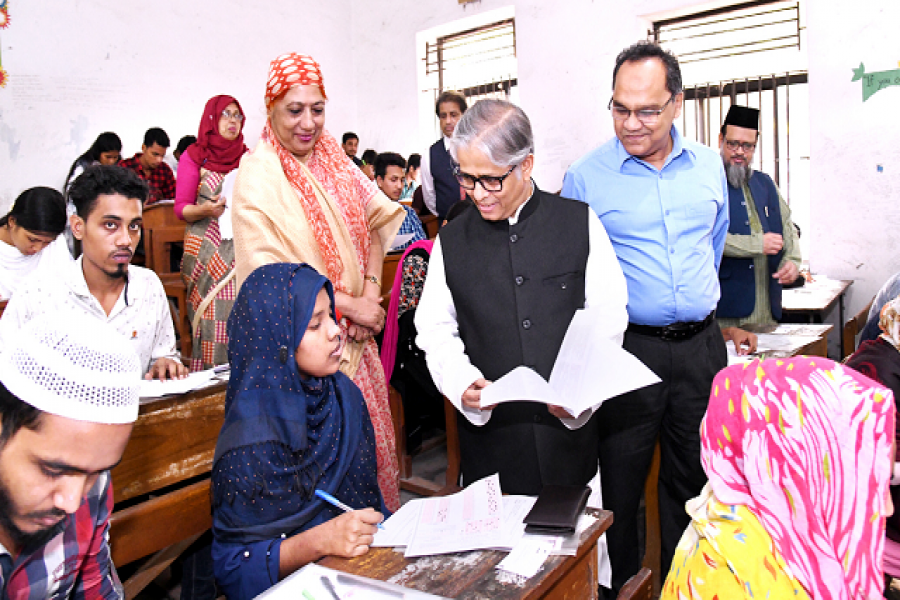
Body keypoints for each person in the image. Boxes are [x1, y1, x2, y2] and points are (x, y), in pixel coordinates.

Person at [561, 41, 728, 593]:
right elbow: (571, 276)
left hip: (701, 349)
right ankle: (623, 588)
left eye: (648, 110)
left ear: (677, 103)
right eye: (620, 108)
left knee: (695, 481)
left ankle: (684, 586)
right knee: (621, 485)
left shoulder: (708, 166)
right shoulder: (586, 177)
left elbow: (714, 242)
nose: (631, 123)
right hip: (627, 351)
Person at [416, 98, 628, 494]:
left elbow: (607, 316)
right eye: (467, 178)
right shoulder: (451, 240)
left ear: (526, 165)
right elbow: (434, 327)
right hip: (491, 446)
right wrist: (460, 379)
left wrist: (584, 389)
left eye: (491, 179)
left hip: (569, 438)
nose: (479, 194)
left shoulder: (578, 222)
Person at [231, 52, 405, 511]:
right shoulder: (258, 175)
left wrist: (370, 292)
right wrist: (348, 306)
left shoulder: (334, 157)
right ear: (270, 108)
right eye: (294, 110)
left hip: (358, 341)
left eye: (318, 109)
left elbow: (376, 222)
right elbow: (269, 279)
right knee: (328, 490)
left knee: (371, 466)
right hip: (305, 355)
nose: (308, 123)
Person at [210, 263, 384, 599]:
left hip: (360, 572)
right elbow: (232, 570)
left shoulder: (343, 397)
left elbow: (368, 506)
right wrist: (318, 541)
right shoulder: (250, 439)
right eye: (315, 324)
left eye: (331, 316)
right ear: (276, 338)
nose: (335, 331)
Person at [662, 357, 895, 599]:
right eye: (871, 485)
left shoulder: (800, 538)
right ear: (802, 475)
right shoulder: (727, 578)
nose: (887, 508)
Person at [0, 315, 142, 599]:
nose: (72, 502)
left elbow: (96, 589)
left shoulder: (92, 486)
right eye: (52, 471)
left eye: (96, 472)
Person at [0, 166, 187, 381]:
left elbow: (163, 356)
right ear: (78, 227)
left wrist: (165, 363)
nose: (125, 240)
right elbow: (5, 369)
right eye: (110, 225)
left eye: (134, 226)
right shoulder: (37, 294)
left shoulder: (148, 286)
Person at [176, 95, 248, 371]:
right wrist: (206, 209)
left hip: (240, 245)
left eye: (237, 115)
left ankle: (240, 378)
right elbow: (181, 209)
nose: (233, 121)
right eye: (226, 114)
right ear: (212, 119)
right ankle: (209, 377)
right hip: (204, 244)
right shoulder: (194, 156)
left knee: (240, 309)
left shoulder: (248, 158)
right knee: (210, 310)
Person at [716, 105, 801, 329]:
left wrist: (792, 261)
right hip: (727, 312)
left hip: (766, 309)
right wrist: (756, 244)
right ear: (720, 140)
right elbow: (706, 236)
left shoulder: (765, 182)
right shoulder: (708, 184)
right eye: (733, 144)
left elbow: (787, 225)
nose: (739, 152)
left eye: (747, 146)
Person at [0, 187, 71, 300]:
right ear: (12, 222)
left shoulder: (57, 244)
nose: (38, 248)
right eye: (32, 239)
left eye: (47, 242)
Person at [63, 132, 123, 254]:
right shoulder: (83, 166)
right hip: (83, 212)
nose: (111, 161)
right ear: (98, 153)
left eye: (115, 157)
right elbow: (73, 193)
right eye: (108, 157)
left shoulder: (119, 166)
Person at [420, 90, 468, 219]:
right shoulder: (430, 155)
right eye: (443, 116)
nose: (448, 121)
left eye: (453, 115)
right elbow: (430, 198)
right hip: (448, 224)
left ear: (464, 116)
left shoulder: (478, 148)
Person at [375, 152, 426, 252]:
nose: (399, 186)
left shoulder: (408, 214)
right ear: (380, 181)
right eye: (393, 180)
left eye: (402, 180)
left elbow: (421, 247)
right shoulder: (367, 213)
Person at [119, 127, 176, 205]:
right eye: (155, 154)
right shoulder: (124, 168)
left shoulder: (165, 170)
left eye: (162, 156)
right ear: (144, 148)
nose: (159, 160)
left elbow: (172, 200)